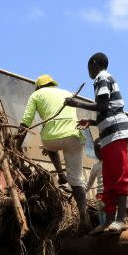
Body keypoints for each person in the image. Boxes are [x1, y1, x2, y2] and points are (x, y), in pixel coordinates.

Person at [65, 52, 128, 235]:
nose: (88, 70)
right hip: (109, 135)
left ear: (94, 63)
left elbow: (104, 106)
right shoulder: (101, 79)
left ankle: (120, 220)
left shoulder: (101, 77)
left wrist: (77, 104)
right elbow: (106, 111)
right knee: (110, 180)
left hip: (117, 133)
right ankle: (109, 221)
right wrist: (91, 121)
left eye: (89, 66)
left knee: (119, 177)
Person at [19, 74, 89, 226]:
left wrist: (17, 144)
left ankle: (60, 174)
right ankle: (84, 216)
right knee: (77, 180)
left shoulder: (36, 94)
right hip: (75, 137)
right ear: (52, 84)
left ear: (38, 86)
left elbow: (26, 121)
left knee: (49, 143)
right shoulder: (67, 93)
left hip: (52, 139)